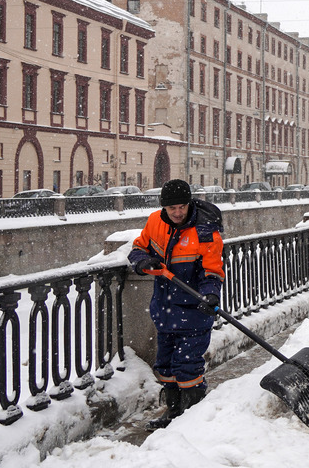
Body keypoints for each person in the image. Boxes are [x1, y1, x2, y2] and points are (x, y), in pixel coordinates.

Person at [128, 179, 225, 430]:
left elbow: (212, 271)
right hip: (165, 310)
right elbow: (137, 248)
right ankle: (173, 413)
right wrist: (142, 262)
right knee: (166, 365)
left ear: (189, 203)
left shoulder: (204, 230)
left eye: (182, 207)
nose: (178, 213)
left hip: (193, 311)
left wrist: (210, 295)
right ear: (164, 208)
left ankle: (192, 418)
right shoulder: (154, 222)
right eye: (173, 209)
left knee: (188, 366)